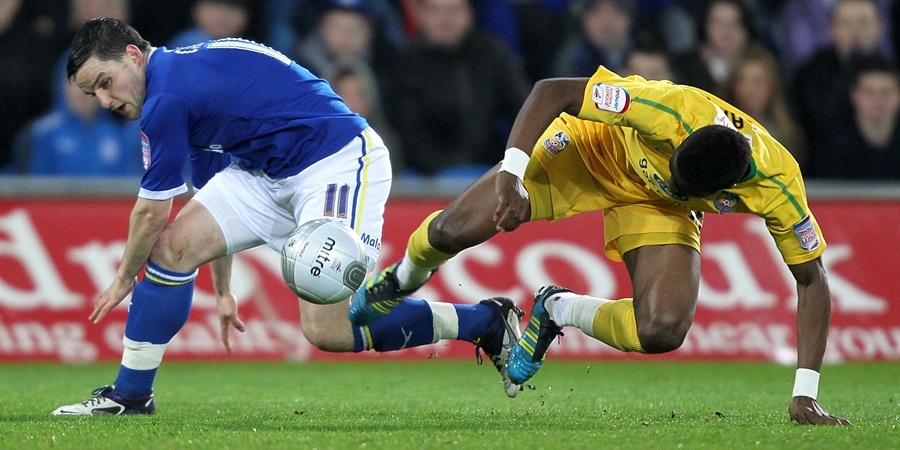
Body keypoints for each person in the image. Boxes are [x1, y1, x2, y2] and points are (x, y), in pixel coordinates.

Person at [51, 17, 523, 415]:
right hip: (265, 174)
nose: (107, 101)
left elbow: (151, 213)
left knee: (328, 330)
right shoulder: (187, 82)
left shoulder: (166, 100)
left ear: (134, 55)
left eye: (105, 84)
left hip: (334, 162)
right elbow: (211, 192)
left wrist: (121, 280)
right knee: (173, 250)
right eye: (94, 94)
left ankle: (484, 322)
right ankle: (130, 396)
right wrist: (222, 289)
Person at [349, 66, 852, 425]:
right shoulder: (668, 109)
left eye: (686, 186)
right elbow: (551, 92)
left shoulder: (779, 188)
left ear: (718, 195)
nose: (674, 178)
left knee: (662, 329)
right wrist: (513, 176)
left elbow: (812, 281)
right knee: (452, 230)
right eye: (672, 166)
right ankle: (400, 281)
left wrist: (805, 394)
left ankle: (556, 309)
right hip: (590, 148)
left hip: (654, 205)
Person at [381, 0, 530, 178]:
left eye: (453, 10)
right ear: (420, 14)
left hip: (487, 168)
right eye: (435, 10)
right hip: (423, 177)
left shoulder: (491, 55)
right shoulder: (403, 65)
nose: (444, 19)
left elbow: (523, 110)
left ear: (470, 14)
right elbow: (407, 132)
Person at [792, 0, 892, 169]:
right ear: (831, 30)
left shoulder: (893, 73)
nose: (855, 31)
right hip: (823, 172)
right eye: (846, 22)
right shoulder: (809, 76)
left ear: (880, 28)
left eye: (863, 22)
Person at [13, 60, 143, 176]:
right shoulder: (42, 134)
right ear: (63, 85)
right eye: (76, 81)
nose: (83, 91)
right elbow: (33, 191)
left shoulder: (116, 136)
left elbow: (129, 188)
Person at [807, 56, 900, 179]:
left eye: (886, 92)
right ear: (855, 95)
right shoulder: (832, 143)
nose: (878, 101)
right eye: (869, 92)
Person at [723, 45, 806, 168]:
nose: (750, 90)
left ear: (772, 86)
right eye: (742, 80)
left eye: (758, 81)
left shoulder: (790, 137)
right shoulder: (718, 131)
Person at [670, 0, 758, 96]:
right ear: (705, 26)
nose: (726, 29)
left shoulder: (761, 64)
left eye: (735, 22)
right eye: (717, 21)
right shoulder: (683, 66)